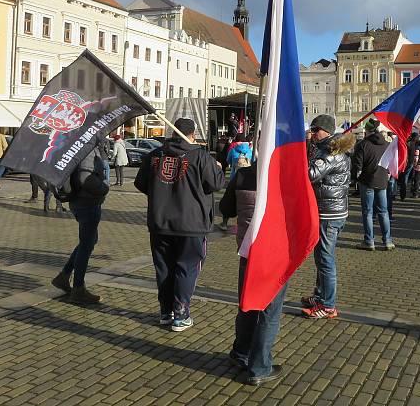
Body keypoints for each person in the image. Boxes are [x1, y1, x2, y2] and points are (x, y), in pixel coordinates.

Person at [134, 118, 224, 331]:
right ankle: (180, 314)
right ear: (192, 134)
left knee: (164, 267)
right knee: (187, 267)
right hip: (190, 223)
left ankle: (166, 311)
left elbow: (141, 183)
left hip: (160, 221)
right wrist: (218, 167)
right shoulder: (201, 156)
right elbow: (216, 184)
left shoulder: (155, 155)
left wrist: (161, 194)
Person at [220, 161, 286, 386]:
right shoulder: (286, 176)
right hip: (274, 255)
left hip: (248, 251)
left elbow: (226, 209)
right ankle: (259, 367)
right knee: (269, 312)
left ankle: (241, 352)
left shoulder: (243, 175)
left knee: (247, 305)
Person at [301, 114, 355, 319]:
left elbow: (310, 174)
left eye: (315, 130)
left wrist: (304, 149)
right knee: (321, 257)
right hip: (327, 209)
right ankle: (320, 295)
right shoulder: (327, 148)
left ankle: (329, 305)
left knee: (325, 259)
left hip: (329, 213)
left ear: (327, 131)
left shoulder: (331, 152)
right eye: (312, 130)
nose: (312, 133)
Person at [51, 145, 110, 303]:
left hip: (80, 201)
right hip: (87, 202)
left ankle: (64, 276)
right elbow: (85, 178)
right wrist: (104, 188)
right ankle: (78, 289)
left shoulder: (79, 146)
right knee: (86, 245)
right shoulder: (87, 149)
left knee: (90, 241)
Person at [351, 118, 395, 251]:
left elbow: (357, 166)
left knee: (368, 212)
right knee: (383, 211)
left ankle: (369, 241)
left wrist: (354, 179)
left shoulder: (362, 145)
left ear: (368, 131)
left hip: (367, 181)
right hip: (382, 181)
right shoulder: (387, 144)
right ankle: (387, 240)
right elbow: (390, 163)